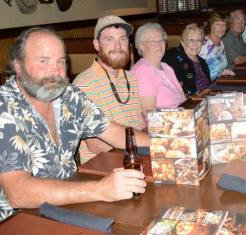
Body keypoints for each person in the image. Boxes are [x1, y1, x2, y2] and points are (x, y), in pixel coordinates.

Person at [0, 27, 149, 222]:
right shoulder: (5, 108)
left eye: (61, 61)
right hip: (17, 220)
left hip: (69, 202)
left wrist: (170, 144)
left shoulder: (69, 95)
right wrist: (100, 189)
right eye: (44, 61)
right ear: (18, 66)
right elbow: (18, 193)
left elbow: (113, 132)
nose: (56, 70)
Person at [73, 15, 146, 164]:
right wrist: (154, 146)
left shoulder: (131, 78)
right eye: (109, 39)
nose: (118, 46)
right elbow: (95, 145)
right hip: (104, 166)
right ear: (96, 45)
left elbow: (139, 124)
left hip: (136, 155)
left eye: (123, 39)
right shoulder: (84, 84)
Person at [131, 23, 186, 114]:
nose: (159, 45)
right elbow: (149, 113)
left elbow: (183, 99)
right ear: (141, 46)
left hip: (183, 118)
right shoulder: (143, 71)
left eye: (161, 40)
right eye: (153, 41)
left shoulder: (166, 67)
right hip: (165, 125)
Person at [163, 23, 211, 96]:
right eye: (191, 40)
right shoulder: (172, 58)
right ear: (182, 42)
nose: (195, 44)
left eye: (199, 40)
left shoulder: (202, 61)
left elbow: (208, 86)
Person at [199, 13, 235, 80]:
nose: (221, 28)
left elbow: (216, 68)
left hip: (219, 81)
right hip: (207, 85)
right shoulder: (204, 44)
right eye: (218, 24)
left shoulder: (221, 43)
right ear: (211, 26)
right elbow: (199, 72)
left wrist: (223, 72)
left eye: (223, 25)